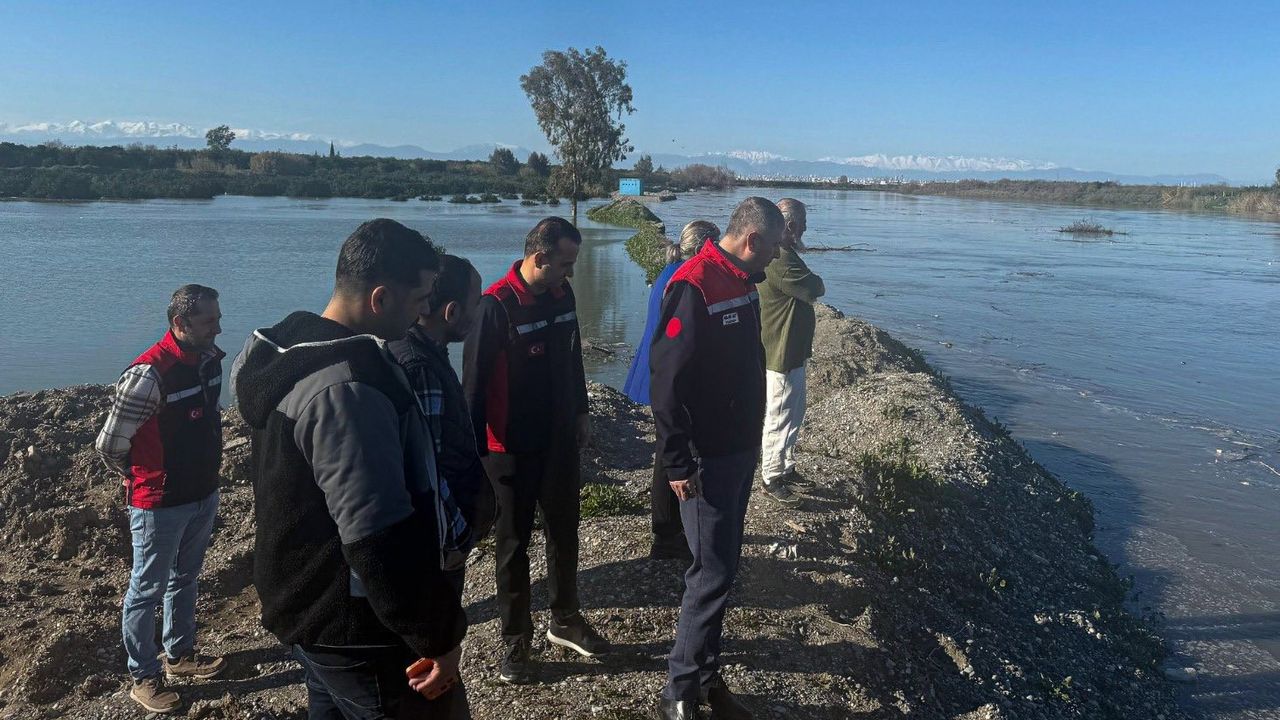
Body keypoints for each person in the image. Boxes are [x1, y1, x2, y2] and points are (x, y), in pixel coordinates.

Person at [232, 219, 467, 719]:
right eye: (419, 298)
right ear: (380, 299)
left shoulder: (288, 351)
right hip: (358, 626)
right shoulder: (348, 390)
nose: (425, 310)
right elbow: (376, 534)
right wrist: (438, 636)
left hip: (308, 610)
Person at [650, 197, 784, 720]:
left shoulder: (741, 280)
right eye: (774, 246)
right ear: (752, 240)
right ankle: (679, 691)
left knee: (723, 569)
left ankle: (708, 678)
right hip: (707, 457)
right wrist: (678, 463)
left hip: (738, 448)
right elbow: (666, 384)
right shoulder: (695, 284)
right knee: (710, 573)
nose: (777, 256)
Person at [463, 216, 611, 685]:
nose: (571, 273)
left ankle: (565, 619)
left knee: (565, 532)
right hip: (509, 449)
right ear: (539, 257)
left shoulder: (562, 295)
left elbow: (572, 358)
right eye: (565, 264)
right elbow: (473, 391)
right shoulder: (496, 307)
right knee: (513, 545)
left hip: (559, 439)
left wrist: (582, 412)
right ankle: (515, 638)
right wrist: (471, 461)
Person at [95, 284, 227, 714]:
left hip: (202, 492)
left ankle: (180, 655)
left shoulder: (208, 361)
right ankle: (144, 676)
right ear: (180, 323)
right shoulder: (147, 376)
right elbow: (110, 445)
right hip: (158, 502)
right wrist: (138, 477)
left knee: (185, 577)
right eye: (209, 321)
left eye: (218, 318)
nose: (218, 328)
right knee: (146, 589)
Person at [390, 254, 497, 598]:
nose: (479, 311)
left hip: (428, 537)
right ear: (451, 312)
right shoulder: (421, 368)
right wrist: (456, 537)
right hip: (436, 541)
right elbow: (430, 471)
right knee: (439, 624)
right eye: (476, 303)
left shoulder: (414, 348)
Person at [622, 220, 721, 561]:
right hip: (669, 378)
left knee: (667, 449)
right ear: (705, 247)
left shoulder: (669, 272)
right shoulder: (686, 279)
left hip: (655, 371)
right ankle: (667, 533)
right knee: (673, 452)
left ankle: (669, 529)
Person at [757, 198, 825, 505]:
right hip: (780, 350)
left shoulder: (784, 254)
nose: (806, 229)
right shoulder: (782, 258)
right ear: (791, 225)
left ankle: (785, 467)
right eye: (803, 223)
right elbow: (812, 288)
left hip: (792, 349)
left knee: (794, 412)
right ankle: (771, 476)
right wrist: (816, 282)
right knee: (780, 415)